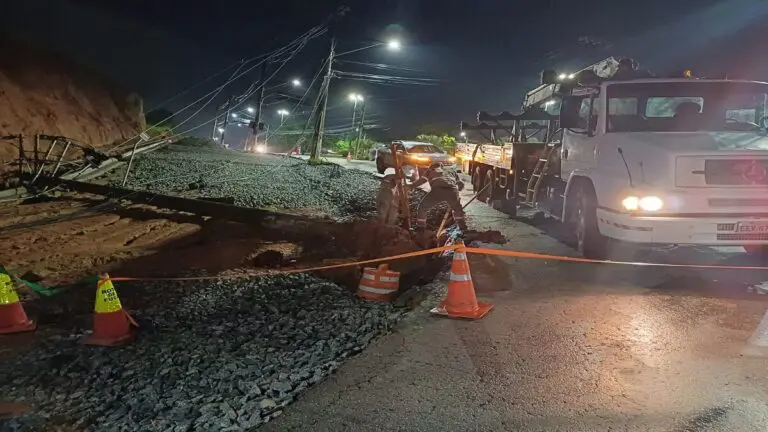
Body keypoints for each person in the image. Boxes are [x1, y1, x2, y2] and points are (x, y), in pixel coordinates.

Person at [410, 162, 467, 230]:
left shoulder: (430, 170)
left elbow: (422, 181)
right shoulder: (450, 171)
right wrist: (458, 191)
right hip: (452, 191)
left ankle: (421, 228)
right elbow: (461, 183)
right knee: (457, 209)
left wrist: (410, 186)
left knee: (423, 207)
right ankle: (462, 227)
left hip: (438, 191)